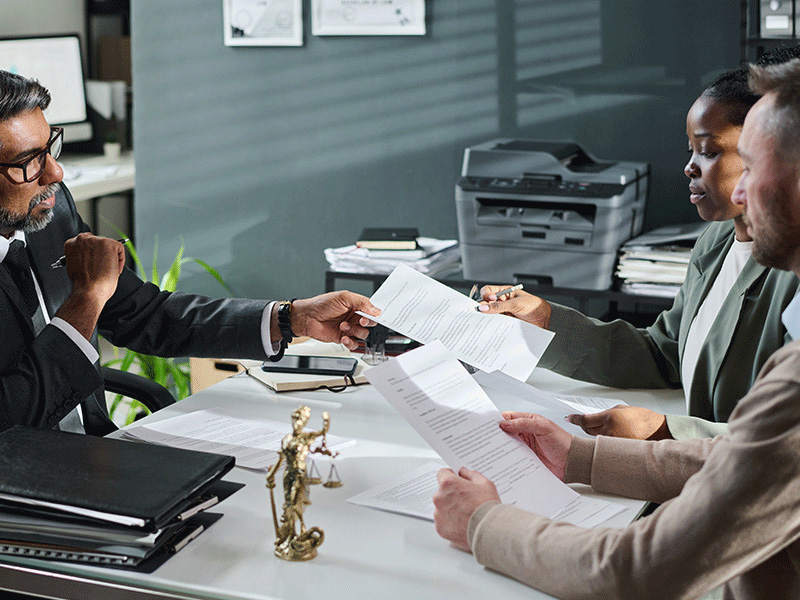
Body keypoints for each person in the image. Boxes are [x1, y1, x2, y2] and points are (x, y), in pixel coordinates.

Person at [434, 58, 800, 599]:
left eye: (751, 165)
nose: (741, 194)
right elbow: (750, 448)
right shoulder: (720, 245)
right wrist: (579, 456)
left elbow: (635, 571)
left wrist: (481, 523)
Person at [0, 70, 379, 435]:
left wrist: (292, 317)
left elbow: (146, 314)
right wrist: (87, 295)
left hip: (93, 454)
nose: (56, 173)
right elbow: (12, 415)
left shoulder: (50, 210)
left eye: (50, 147)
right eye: (28, 162)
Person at [477, 51, 800, 441]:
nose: (690, 167)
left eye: (710, 152)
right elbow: (666, 354)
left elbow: (781, 448)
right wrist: (546, 320)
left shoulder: (790, 268)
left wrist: (668, 432)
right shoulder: (716, 241)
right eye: (691, 151)